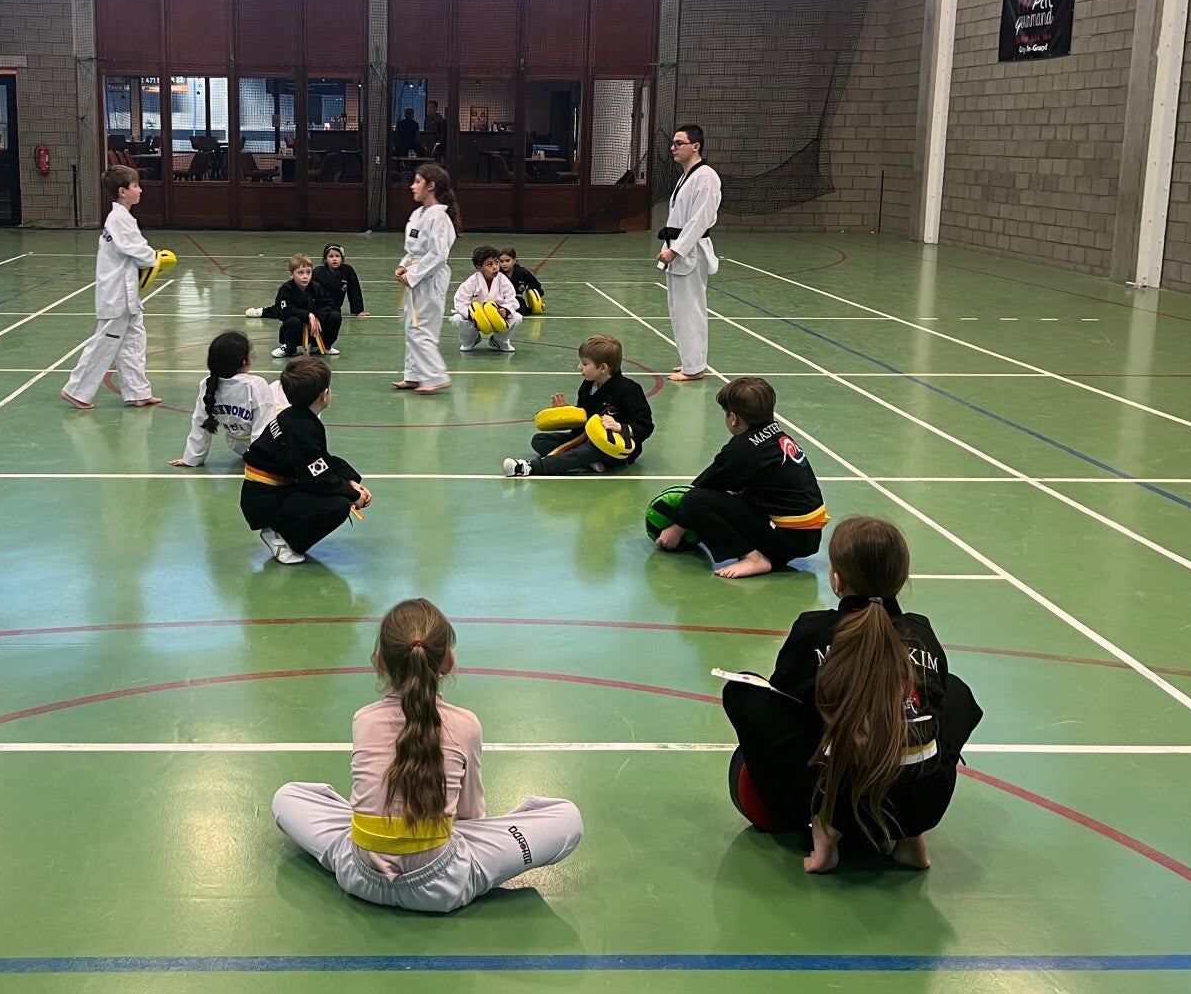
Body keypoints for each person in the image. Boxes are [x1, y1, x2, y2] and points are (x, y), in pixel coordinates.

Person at [272, 598, 584, 913]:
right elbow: (471, 816)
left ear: (379, 660)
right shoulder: (465, 724)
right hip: (442, 884)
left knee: (287, 797)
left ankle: (409, 836)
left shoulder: (363, 719)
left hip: (359, 876)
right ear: (448, 662)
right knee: (567, 818)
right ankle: (431, 837)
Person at [720, 516, 982, 874]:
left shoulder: (813, 631)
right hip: (924, 803)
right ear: (901, 580)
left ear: (837, 579)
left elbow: (785, 703)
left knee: (744, 691)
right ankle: (910, 840)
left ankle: (825, 833)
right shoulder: (921, 632)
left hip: (837, 802)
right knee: (954, 692)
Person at [654, 375, 827, 579]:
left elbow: (702, 487)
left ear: (733, 418)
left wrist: (677, 527)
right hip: (807, 537)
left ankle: (752, 557)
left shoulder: (742, 449)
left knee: (694, 501)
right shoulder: (778, 435)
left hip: (785, 538)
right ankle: (766, 552)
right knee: (735, 491)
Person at [241, 356, 369, 564]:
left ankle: (280, 528)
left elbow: (322, 461)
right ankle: (283, 538)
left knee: (338, 491)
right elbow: (316, 478)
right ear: (324, 394)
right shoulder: (302, 429)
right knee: (337, 506)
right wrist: (352, 496)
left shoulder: (294, 416)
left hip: (263, 494)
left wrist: (351, 481)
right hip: (265, 500)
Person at [60, 164, 163, 410]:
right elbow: (136, 250)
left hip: (127, 295)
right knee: (105, 343)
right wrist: (155, 257)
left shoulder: (122, 217)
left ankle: (138, 392)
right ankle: (76, 390)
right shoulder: (118, 219)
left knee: (134, 344)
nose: (140, 190)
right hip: (116, 295)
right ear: (122, 191)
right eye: (135, 186)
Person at [503, 333, 653, 477]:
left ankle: (530, 468)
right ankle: (589, 462)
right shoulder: (588, 385)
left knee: (587, 450)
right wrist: (567, 413)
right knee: (540, 440)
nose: (579, 367)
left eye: (585, 363)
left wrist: (619, 427)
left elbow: (645, 427)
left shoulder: (629, 389)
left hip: (614, 448)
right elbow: (584, 421)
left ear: (603, 368)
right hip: (586, 438)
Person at [658, 124, 720, 382]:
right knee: (678, 309)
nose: (673, 147)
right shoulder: (688, 175)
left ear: (696, 146)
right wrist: (669, 248)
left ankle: (694, 369)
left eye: (679, 143)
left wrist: (676, 250)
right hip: (679, 248)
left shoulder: (706, 177)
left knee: (690, 310)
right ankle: (690, 360)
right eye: (673, 143)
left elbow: (700, 220)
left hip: (690, 251)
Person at [170, 331, 284, 468]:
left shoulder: (208, 384)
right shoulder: (255, 385)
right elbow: (264, 426)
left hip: (238, 444)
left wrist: (192, 458)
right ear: (244, 361)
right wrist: (259, 462)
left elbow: (201, 422)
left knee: (275, 390)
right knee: (285, 388)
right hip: (266, 448)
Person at [393, 164, 458, 394]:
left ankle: (436, 376)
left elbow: (438, 255)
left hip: (430, 278)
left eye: (417, 181)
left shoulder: (440, 217)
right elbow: (413, 250)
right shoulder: (417, 214)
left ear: (431, 186)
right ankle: (414, 375)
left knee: (423, 328)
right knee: (412, 326)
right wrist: (403, 267)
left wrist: (414, 274)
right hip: (415, 273)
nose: (412, 186)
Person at [451, 243, 520, 353]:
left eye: (496, 263)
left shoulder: (503, 280)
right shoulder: (472, 281)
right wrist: (472, 317)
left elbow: (512, 300)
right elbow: (460, 302)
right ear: (479, 268)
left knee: (517, 317)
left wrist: (505, 310)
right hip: (476, 320)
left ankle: (499, 341)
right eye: (489, 264)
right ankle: (470, 340)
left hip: (497, 317)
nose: (495, 267)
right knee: (457, 319)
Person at [268, 254, 339, 359]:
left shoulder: (316, 287)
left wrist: (317, 316)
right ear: (291, 275)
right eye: (300, 273)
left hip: (315, 329)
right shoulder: (286, 289)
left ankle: (320, 346)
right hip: (296, 329)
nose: (305, 276)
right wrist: (307, 315)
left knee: (335, 316)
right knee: (293, 321)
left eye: (308, 272)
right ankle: (289, 347)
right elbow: (285, 311)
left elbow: (329, 304)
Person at [314, 243, 368, 319]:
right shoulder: (318, 272)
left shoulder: (347, 271)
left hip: (335, 308)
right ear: (325, 259)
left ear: (342, 258)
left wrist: (358, 311)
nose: (334, 259)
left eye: (337, 256)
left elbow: (354, 290)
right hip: (319, 307)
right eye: (331, 256)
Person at [499, 247, 544, 315]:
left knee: (521, 312)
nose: (504, 264)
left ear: (514, 260)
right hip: (501, 301)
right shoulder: (496, 274)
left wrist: (538, 302)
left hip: (517, 301)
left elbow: (536, 287)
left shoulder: (523, 273)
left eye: (507, 261)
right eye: (501, 261)